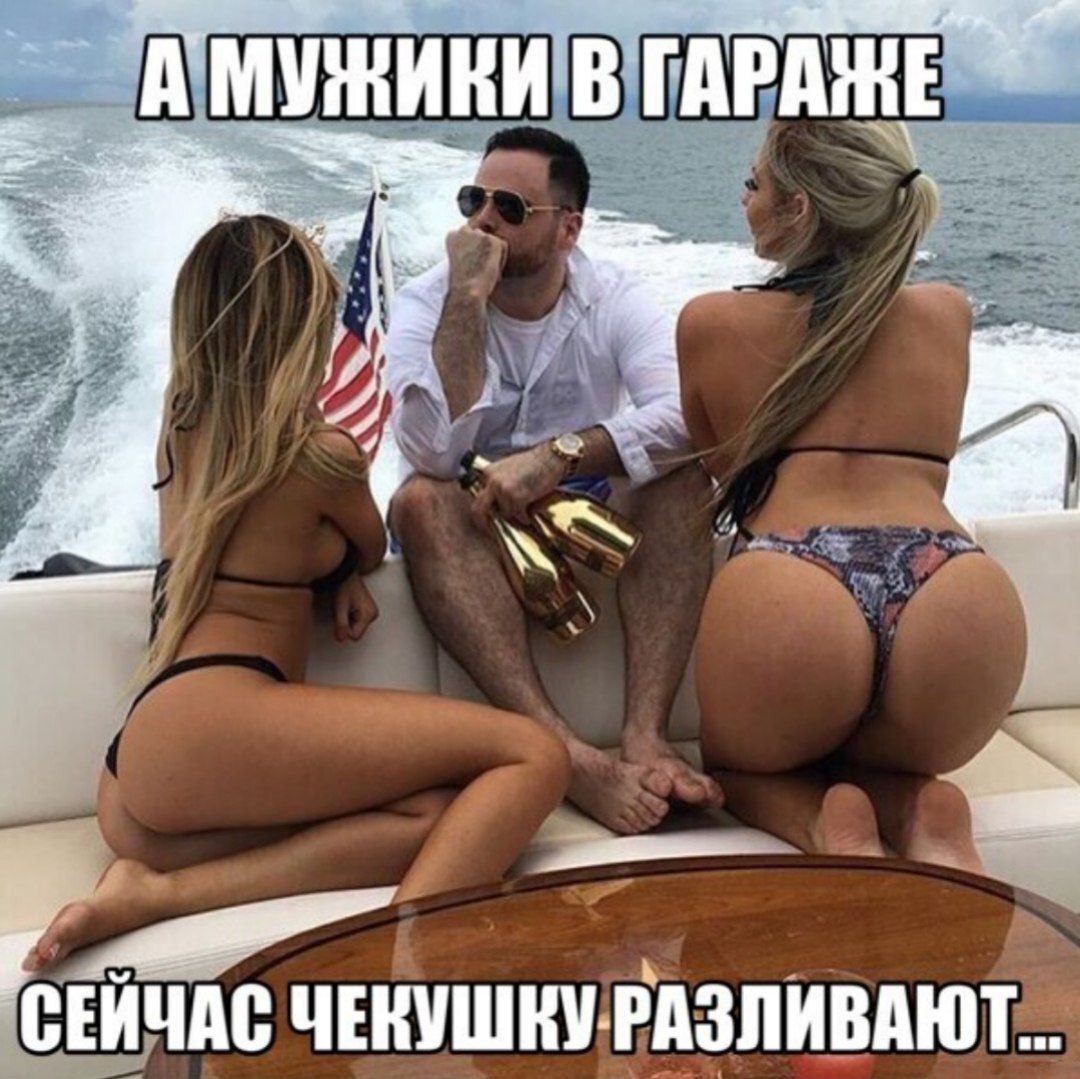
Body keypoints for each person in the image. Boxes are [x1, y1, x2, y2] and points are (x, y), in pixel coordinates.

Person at [22, 214, 570, 973]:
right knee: (534, 756)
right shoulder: (324, 457)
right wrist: (342, 573)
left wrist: (324, 570)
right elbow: (371, 543)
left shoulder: (180, 423)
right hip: (222, 718)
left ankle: (156, 890)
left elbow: (248, 530)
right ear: (302, 331)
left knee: (438, 820)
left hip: (140, 766)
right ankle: (397, 966)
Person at [678, 119, 1027, 872]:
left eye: (755, 183)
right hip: (955, 590)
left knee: (739, 770)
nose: (744, 199)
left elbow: (728, 472)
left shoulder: (711, 322)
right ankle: (915, 805)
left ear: (798, 208)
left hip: (793, 585)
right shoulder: (947, 314)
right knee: (888, 756)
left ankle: (820, 822)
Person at [385, 126, 721, 836]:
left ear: (568, 229)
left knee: (685, 482)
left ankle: (644, 734)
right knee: (418, 502)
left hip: (579, 502)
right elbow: (432, 453)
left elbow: (687, 419)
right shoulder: (428, 300)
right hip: (472, 514)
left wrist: (560, 455)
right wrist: (466, 300)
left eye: (509, 207)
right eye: (473, 200)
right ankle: (564, 754)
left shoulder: (615, 298)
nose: (483, 221)